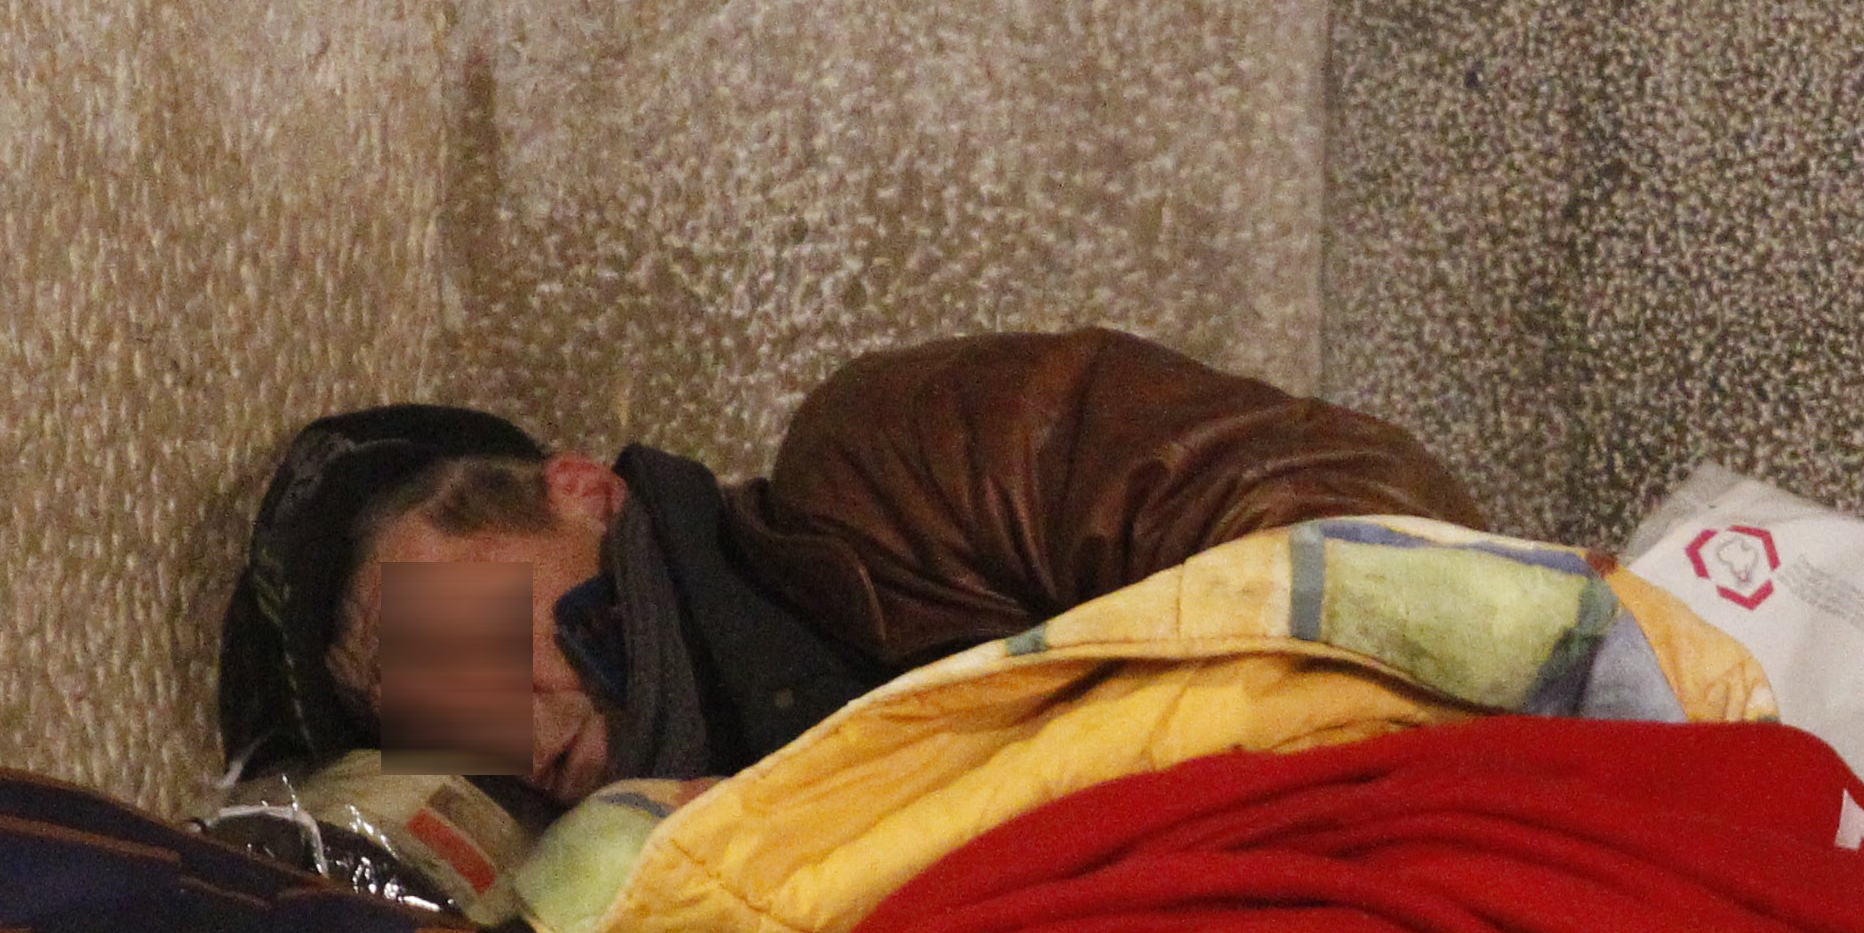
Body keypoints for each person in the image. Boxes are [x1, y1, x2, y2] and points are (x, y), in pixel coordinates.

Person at [213, 327, 1481, 795]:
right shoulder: (658, 907)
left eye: (454, 633)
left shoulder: (885, 471)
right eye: (421, 707)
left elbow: (1363, 539)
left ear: (584, 495)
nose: (471, 705)